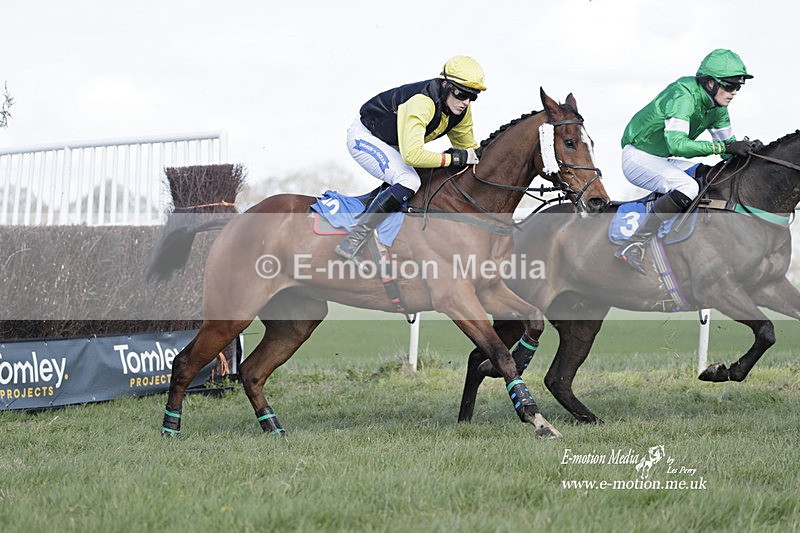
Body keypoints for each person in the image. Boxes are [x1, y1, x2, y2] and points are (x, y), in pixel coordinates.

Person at [614, 48, 763, 275]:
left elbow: (727, 151)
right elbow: (678, 145)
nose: (734, 93)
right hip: (638, 157)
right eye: (730, 86)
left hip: (662, 158)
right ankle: (633, 244)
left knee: (710, 175)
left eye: (738, 87)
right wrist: (724, 147)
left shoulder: (718, 107)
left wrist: (751, 151)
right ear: (710, 83)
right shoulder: (683, 96)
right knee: (688, 186)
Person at [335, 55, 486, 263]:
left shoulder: (461, 111)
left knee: (425, 176)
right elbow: (412, 155)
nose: (466, 102)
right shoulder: (422, 103)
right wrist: (452, 159)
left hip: (395, 143)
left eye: (473, 96)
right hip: (365, 136)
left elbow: (469, 152)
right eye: (461, 94)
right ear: (445, 84)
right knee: (409, 180)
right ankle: (353, 240)